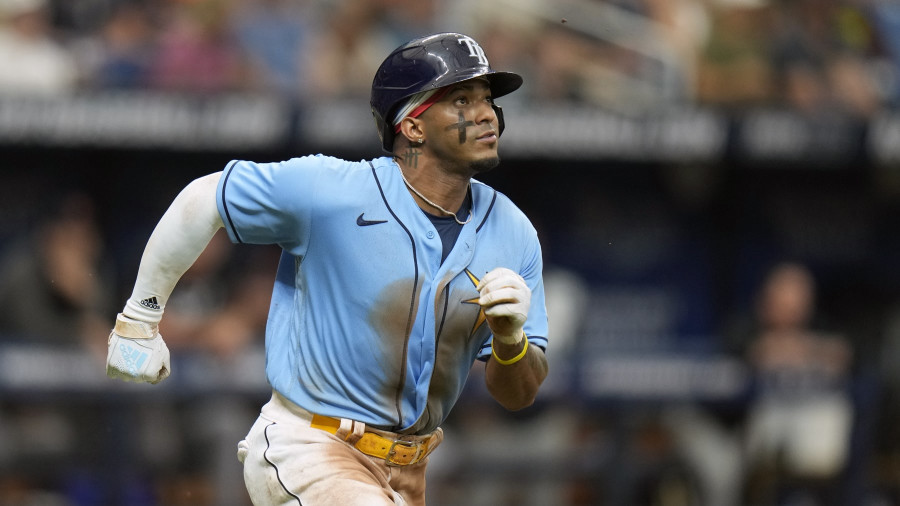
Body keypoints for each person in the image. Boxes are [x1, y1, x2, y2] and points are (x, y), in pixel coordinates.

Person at [105, 32, 550, 505]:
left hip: (411, 470)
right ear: (413, 127)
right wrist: (140, 320)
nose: (485, 114)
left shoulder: (513, 232)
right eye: (461, 99)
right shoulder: (334, 191)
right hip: (310, 446)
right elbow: (206, 197)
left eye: (487, 100)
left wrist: (509, 341)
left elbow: (519, 394)